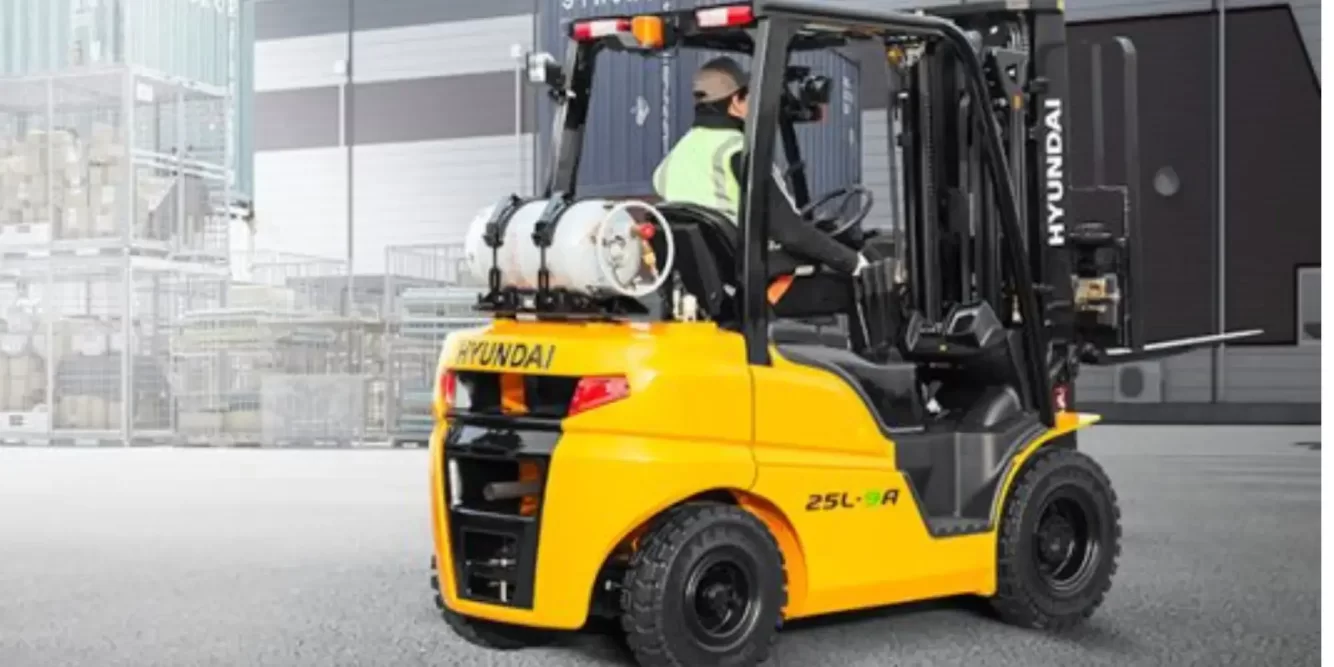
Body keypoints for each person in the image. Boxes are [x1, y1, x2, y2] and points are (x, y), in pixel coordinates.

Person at [651, 56, 870, 318]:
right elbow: (790, 234)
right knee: (869, 287)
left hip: (712, 285)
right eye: (750, 97)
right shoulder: (739, 152)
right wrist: (854, 262)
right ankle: (877, 356)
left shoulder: (673, 159)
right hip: (758, 284)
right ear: (736, 102)